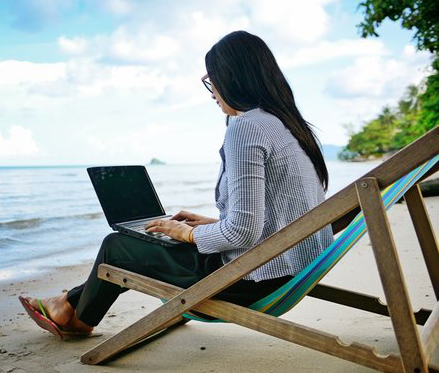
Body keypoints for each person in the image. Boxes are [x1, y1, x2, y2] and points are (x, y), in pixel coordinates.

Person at [20, 30, 333, 338]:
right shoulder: (288, 126)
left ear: (234, 78)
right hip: (292, 268)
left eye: (213, 80)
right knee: (155, 240)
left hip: (252, 279)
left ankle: (77, 319)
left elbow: (243, 231)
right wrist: (210, 225)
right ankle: (65, 304)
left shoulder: (247, 128)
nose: (212, 92)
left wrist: (189, 233)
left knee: (117, 245)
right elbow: (282, 213)